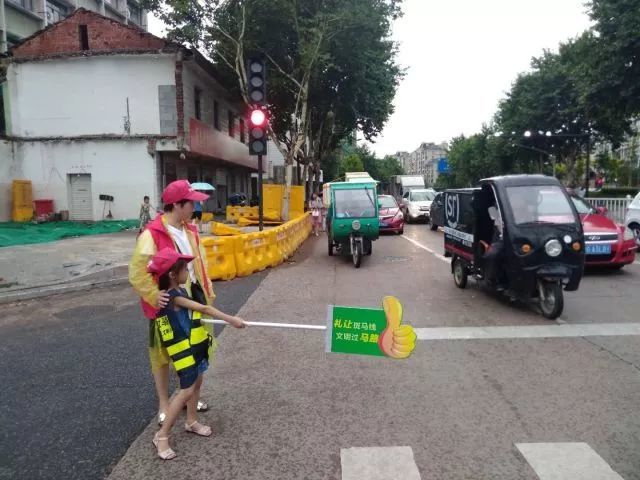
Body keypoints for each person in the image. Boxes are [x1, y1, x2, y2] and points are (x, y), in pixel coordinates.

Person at [129, 180, 217, 426]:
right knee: (162, 354)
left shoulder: (190, 230)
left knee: (195, 349)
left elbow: (199, 264)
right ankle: (164, 403)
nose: (195, 206)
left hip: (192, 299)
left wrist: (207, 289)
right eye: (192, 202)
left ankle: (187, 396)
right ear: (177, 205)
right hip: (166, 306)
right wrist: (154, 295)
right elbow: (137, 271)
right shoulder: (152, 234)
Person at [148, 248, 246, 460]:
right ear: (173, 275)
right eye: (185, 268)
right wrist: (232, 320)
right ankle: (162, 435)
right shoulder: (173, 296)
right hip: (184, 351)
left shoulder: (181, 291)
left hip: (195, 346)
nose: (188, 271)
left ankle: (191, 421)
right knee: (185, 391)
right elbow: (205, 309)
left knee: (197, 383)